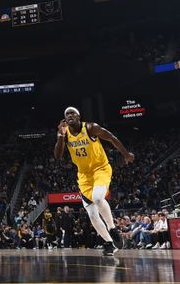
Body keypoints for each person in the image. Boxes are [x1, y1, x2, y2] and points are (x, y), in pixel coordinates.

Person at [53, 107, 135, 256]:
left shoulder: (91, 127)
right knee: (91, 214)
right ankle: (109, 242)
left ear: (79, 116)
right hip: (84, 175)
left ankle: (112, 228)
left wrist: (126, 154)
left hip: (101, 169)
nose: (70, 115)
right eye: (67, 114)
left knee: (98, 198)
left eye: (73, 113)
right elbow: (58, 156)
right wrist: (60, 135)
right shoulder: (64, 134)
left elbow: (111, 137)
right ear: (65, 119)